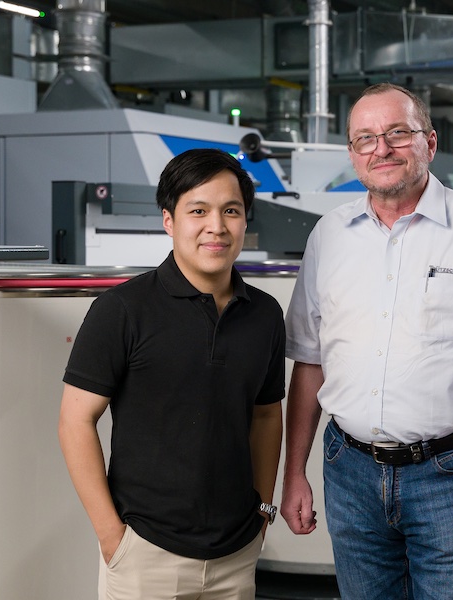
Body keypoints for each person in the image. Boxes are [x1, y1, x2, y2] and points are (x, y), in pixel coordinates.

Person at [280, 82, 453, 599]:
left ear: (430, 143)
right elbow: (309, 362)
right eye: (365, 138)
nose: (381, 149)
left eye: (397, 133)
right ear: (351, 153)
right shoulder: (329, 236)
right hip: (350, 473)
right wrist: (293, 472)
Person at [58, 148, 285, 600]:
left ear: (245, 221)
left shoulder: (265, 314)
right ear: (169, 220)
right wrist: (112, 536)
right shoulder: (121, 310)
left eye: (231, 211)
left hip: (236, 554)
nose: (216, 226)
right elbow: (74, 421)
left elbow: (265, 416)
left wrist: (262, 510)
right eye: (197, 210)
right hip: (144, 554)